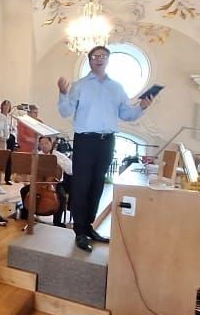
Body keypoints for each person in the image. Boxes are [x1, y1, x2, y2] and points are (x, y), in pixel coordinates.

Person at [57, 45, 152, 253]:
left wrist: (142, 107)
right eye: (94, 56)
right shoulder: (79, 85)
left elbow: (126, 114)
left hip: (107, 141)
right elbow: (65, 112)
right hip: (85, 140)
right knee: (81, 185)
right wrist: (63, 94)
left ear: (108, 60)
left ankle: (89, 226)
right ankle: (79, 231)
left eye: (103, 56)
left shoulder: (116, 87)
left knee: (98, 185)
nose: (99, 59)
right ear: (89, 60)